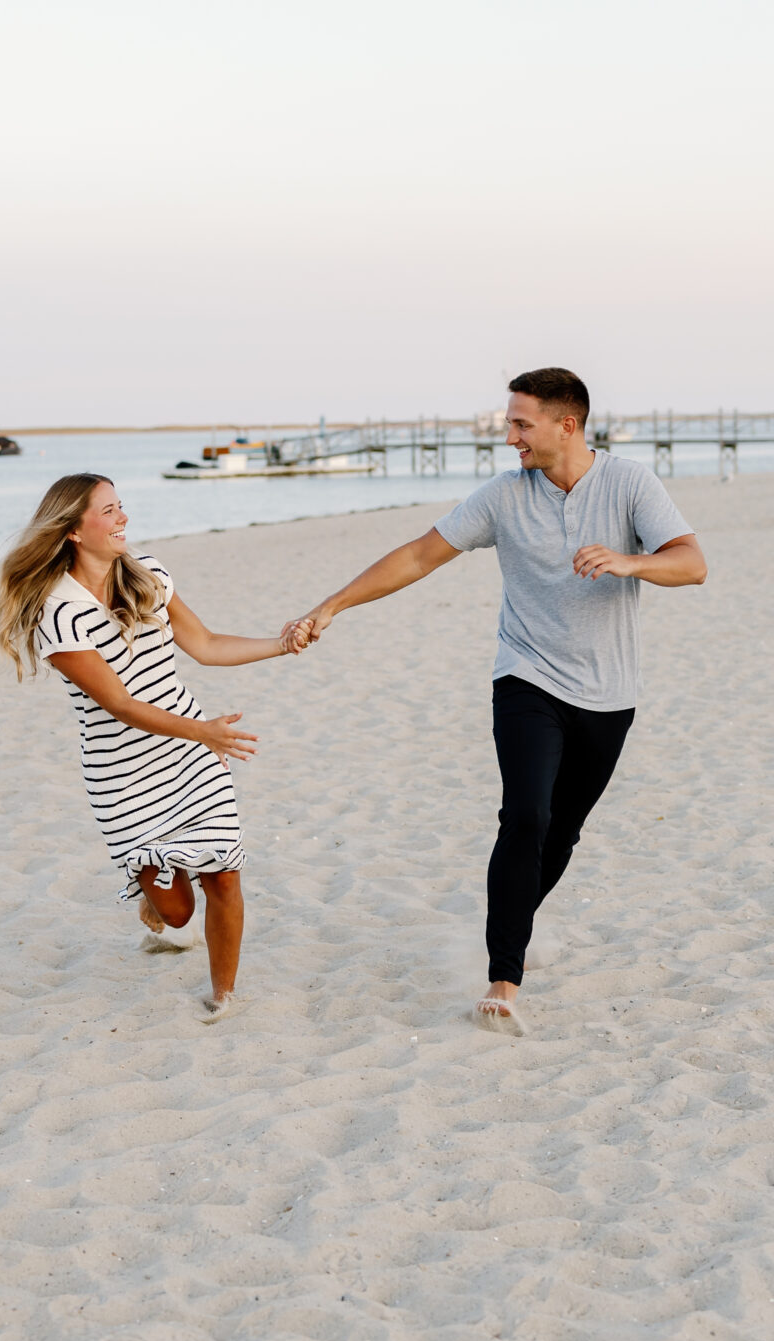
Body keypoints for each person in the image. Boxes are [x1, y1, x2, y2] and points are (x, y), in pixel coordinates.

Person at [281, 369, 706, 1033]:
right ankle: (504, 976)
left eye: (521, 424)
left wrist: (631, 562)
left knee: (561, 831)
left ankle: (510, 920)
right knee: (526, 815)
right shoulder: (505, 497)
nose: (509, 437)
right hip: (527, 676)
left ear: (567, 424)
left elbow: (691, 561)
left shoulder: (629, 484)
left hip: (609, 691)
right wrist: (332, 604)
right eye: (509, 423)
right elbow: (420, 554)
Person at [0, 473, 298, 1022]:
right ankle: (155, 900)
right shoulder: (58, 612)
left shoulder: (149, 576)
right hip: (124, 775)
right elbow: (119, 705)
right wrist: (207, 731)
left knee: (223, 873)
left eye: (122, 506)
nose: (123, 518)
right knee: (176, 911)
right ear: (73, 529)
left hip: (190, 756)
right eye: (109, 510)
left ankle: (224, 995)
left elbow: (208, 645)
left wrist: (280, 645)